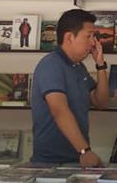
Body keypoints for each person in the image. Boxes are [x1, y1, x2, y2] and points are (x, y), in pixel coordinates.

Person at [30, 9, 109, 166]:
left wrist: (100, 65)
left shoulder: (78, 67)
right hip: (51, 163)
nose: (93, 42)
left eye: (94, 37)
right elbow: (59, 110)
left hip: (76, 159)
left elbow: (101, 102)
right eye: (88, 36)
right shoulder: (51, 65)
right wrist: (84, 151)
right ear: (69, 37)